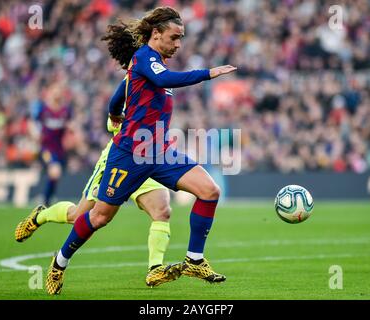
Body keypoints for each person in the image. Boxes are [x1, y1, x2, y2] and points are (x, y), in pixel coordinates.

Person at [46, 6, 237, 295]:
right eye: (174, 38)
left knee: (210, 191)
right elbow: (163, 80)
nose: (178, 44)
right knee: (99, 217)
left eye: (181, 38)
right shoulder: (145, 59)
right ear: (156, 33)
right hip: (130, 155)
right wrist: (208, 73)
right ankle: (59, 263)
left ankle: (194, 259)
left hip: (159, 150)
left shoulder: (154, 63)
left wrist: (113, 114)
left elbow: (115, 97)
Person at [15, 118, 176, 287]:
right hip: (119, 160)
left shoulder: (166, 92)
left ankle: (155, 269)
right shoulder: (132, 91)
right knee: (78, 216)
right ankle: (40, 216)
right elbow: (111, 122)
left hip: (147, 159)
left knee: (162, 210)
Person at [31, 84, 72, 207]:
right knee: (55, 171)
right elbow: (32, 122)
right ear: (49, 93)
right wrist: (35, 134)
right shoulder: (43, 109)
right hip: (46, 148)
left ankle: (47, 200)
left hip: (60, 149)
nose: (57, 94)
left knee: (55, 175)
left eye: (59, 92)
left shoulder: (65, 111)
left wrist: (72, 129)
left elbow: (70, 123)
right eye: (54, 91)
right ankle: (45, 199)